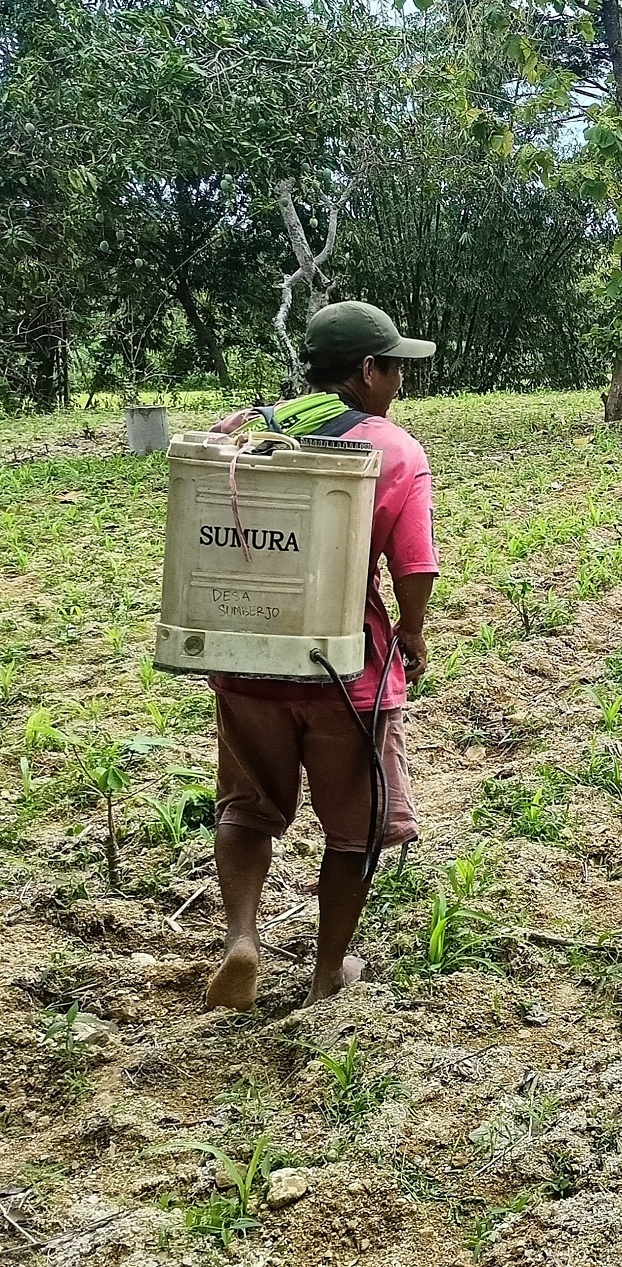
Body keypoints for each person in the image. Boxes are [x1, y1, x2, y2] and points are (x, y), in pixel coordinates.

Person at [202, 301, 440, 1008]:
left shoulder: (247, 431)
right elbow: (415, 566)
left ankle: (243, 937)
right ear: (367, 371)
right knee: (354, 826)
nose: (399, 383)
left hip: (245, 660)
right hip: (345, 675)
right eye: (395, 368)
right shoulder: (392, 449)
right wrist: (413, 630)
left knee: (245, 805)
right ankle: (327, 971)